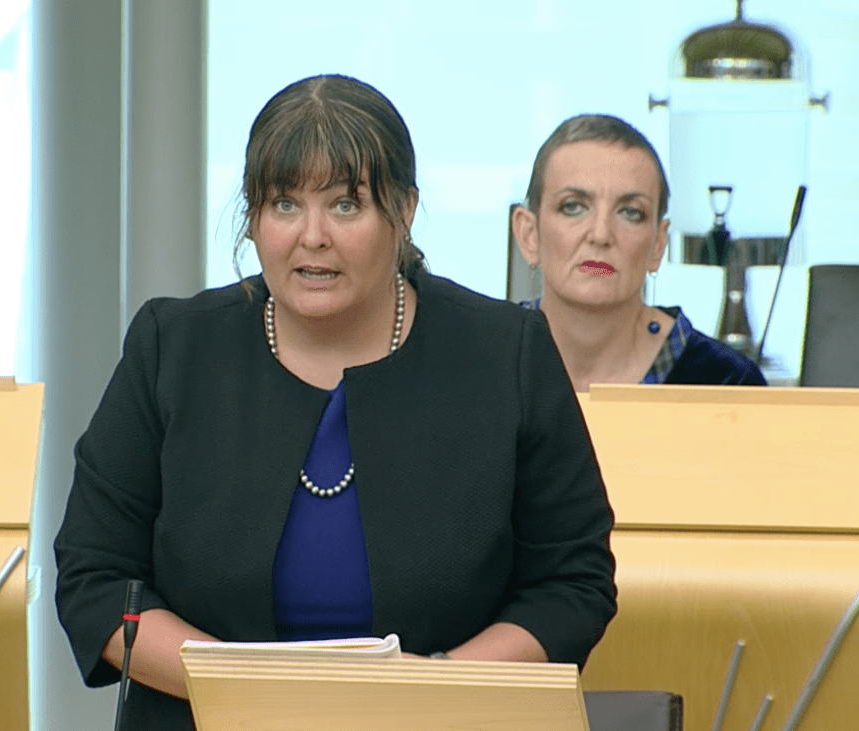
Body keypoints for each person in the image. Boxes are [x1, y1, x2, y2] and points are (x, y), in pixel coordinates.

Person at [54, 75, 617, 731]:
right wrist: (247, 691)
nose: (311, 236)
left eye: (345, 206)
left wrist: (427, 692)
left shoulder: (505, 353)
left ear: (403, 212)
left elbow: (572, 583)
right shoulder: (174, 348)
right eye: (284, 204)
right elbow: (96, 578)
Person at [511, 114, 767, 391]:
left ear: (658, 244)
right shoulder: (476, 362)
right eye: (573, 206)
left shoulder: (728, 382)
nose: (600, 235)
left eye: (630, 212)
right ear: (529, 234)